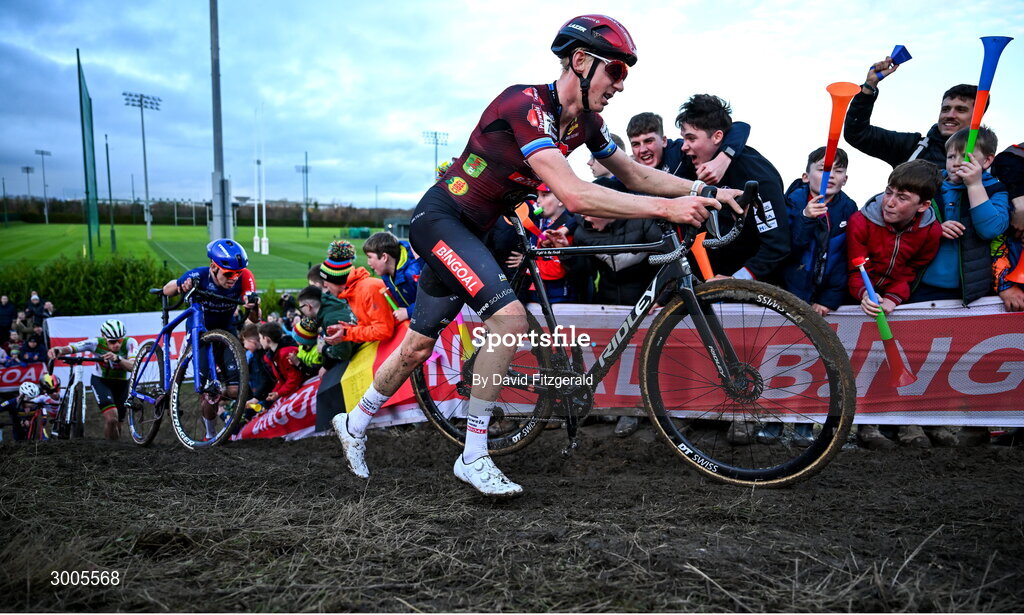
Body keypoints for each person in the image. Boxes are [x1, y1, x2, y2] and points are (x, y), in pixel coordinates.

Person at [334, 14, 742, 497]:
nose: (620, 85)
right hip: (444, 220)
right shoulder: (526, 105)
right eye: (616, 72)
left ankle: (353, 423)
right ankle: (475, 454)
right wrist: (669, 207)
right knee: (508, 321)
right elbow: (573, 194)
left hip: (485, 231)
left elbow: (633, 174)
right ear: (581, 61)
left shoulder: (587, 123)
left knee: (418, 344)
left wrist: (701, 190)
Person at [761, 146, 859, 446]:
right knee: (776, 361)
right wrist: (804, 216)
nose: (830, 175)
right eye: (822, 168)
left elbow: (845, 259)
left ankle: (805, 423)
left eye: (838, 170)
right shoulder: (790, 202)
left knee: (813, 363)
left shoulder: (848, 209)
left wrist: (829, 299)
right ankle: (770, 421)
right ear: (806, 176)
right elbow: (784, 248)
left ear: (845, 179)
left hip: (820, 300)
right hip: (786, 295)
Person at [846, 160, 943, 450]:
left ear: (923, 205)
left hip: (895, 303)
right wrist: (864, 293)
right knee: (862, 362)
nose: (890, 202)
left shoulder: (931, 232)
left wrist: (894, 298)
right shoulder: (860, 221)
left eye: (902, 198)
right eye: (889, 192)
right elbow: (853, 269)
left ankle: (905, 420)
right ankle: (866, 424)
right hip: (860, 300)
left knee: (907, 359)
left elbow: (912, 270)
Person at [674, 94, 791, 285]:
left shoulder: (758, 176)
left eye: (691, 138)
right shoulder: (689, 162)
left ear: (718, 137)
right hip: (707, 284)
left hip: (754, 292)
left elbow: (777, 245)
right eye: (683, 138)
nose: (684, 147)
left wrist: (736, 280)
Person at [161, 239, 260, 441]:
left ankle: (224, 408)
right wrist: (180, 285)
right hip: (200, 332)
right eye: (229, 273)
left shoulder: (245, 277)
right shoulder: (199, 275)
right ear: (214, 267)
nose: (234, 278)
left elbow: (255, 319)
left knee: (233, 390)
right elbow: (166, 289)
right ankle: (210, 434)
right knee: (208, 392)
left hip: (226, 329)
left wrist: (253, 306)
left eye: (238, 273)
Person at [911, 127, 1009, 305]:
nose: (955, 163)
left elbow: (990, 230)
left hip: (971, 292)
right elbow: (902, 223)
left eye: (965, 156)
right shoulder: (928, 185)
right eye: (950, 157)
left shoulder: (996, 190)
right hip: (920, 285)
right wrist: (934, 229)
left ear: (987, 160)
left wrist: (974, 186)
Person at [844, 55, 980, 169]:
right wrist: (869, 86)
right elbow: (857, 133)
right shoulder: (910, 146)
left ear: (978, 116)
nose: (950, 115)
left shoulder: (988, 160)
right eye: (945, 109)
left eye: (961, 110)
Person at [47, 319, 138, 440]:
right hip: (101, 381)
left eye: (120, 340)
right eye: (112, 341)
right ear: (103, 337)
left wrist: (118, 359)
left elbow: (133, 367)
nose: (117, 344)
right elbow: (72, 348)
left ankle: (115, 450)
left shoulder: (130, 342)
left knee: (118, 424)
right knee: (111, 419)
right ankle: (111, 449)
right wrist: (58, 350)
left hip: (122, 383)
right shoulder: (96, 343)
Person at [627, 111, 750, 183]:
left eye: (648, 141)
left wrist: (723, 159)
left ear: (664, 141)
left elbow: (740, 127)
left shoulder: (681, 151)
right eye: (636, 144)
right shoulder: (629, 170)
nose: (643, 150)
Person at [518, 184, 579, 305]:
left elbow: (557, 270)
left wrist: (526, 263)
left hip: (559, 298)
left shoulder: (566, 230)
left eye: (544, 195)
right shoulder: (536, 223)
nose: (538, 201)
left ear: (561, 200)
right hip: (535, 295)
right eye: (537, 196)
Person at [363, 231, 424, 323]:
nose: (368, 263)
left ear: (384, 257)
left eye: (370, 257)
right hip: (418, 321)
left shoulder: (414, 272)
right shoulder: (386, 275)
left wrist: (408, 312)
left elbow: (434, 300)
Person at [258, 322, 304, 406]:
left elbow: (294, 379)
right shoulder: (273, 355)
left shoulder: (285, 353)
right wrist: (275, 392)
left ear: (267, 339)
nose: (259, 341)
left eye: (260, 338)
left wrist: (279, 393)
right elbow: (282, 379)